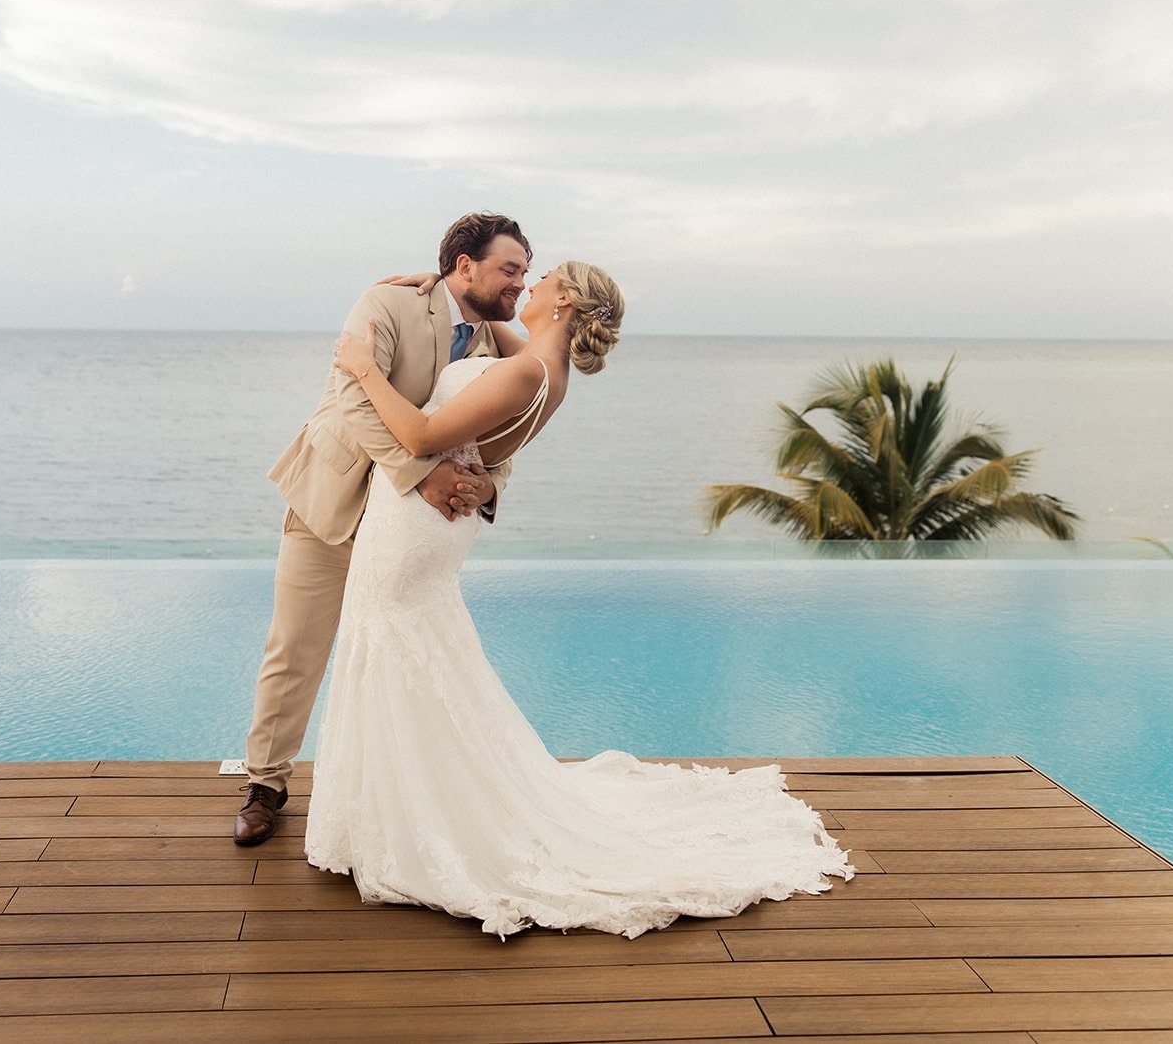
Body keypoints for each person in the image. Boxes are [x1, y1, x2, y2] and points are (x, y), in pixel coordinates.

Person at [305, 260, 853, 938]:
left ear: (564, 300)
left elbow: (418, 437)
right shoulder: (539, 366)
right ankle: (396, 811)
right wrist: (443, 278)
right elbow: (483, 318)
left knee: (398, 645)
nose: (529, 285)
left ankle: (416, 823)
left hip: (416, 522)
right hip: (435, 522)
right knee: (415, 651)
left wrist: (362, 365)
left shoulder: (525, 371)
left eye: (543, 279)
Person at [235, 212, 532, 846]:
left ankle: (391, 794)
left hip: (406, 531)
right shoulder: (388, 303)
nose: (520, 286)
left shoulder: (495, 341)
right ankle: (266, 783)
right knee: (295, 648)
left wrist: (491, 486)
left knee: (393, 654)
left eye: (526, 274)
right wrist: (419, 473)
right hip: (334, 499)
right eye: (509, 270)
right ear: (464, 266)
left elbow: (500, 431)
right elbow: (354, 397)